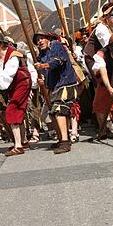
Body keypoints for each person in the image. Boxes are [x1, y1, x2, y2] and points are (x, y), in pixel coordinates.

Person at [0, 30, 32, 156]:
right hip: (11, 86)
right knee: (17, 111)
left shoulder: (13, 55)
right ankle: (23, 141)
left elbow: (8, 74)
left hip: (22, 83)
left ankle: (18, 146)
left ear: (1, 44)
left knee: (12, 109)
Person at [33, 26, 79, 154]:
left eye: (42, 38)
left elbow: (58, 61)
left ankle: (65, 142)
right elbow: (45, 72)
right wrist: (42, 79)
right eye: (37, 39)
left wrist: (43, 66)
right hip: (55, 86)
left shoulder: (56, 45)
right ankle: (61, 139)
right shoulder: (42, 54)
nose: (40, 41)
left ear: (48, 38)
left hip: (65, 83)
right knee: (53, 113)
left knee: (59, 111)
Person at [89, 33, 113, 140]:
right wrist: (109, 87)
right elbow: (102, 70)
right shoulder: (101, 54)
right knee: (98, 107)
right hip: (104, 83)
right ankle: (104, 130)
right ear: (110, 47)